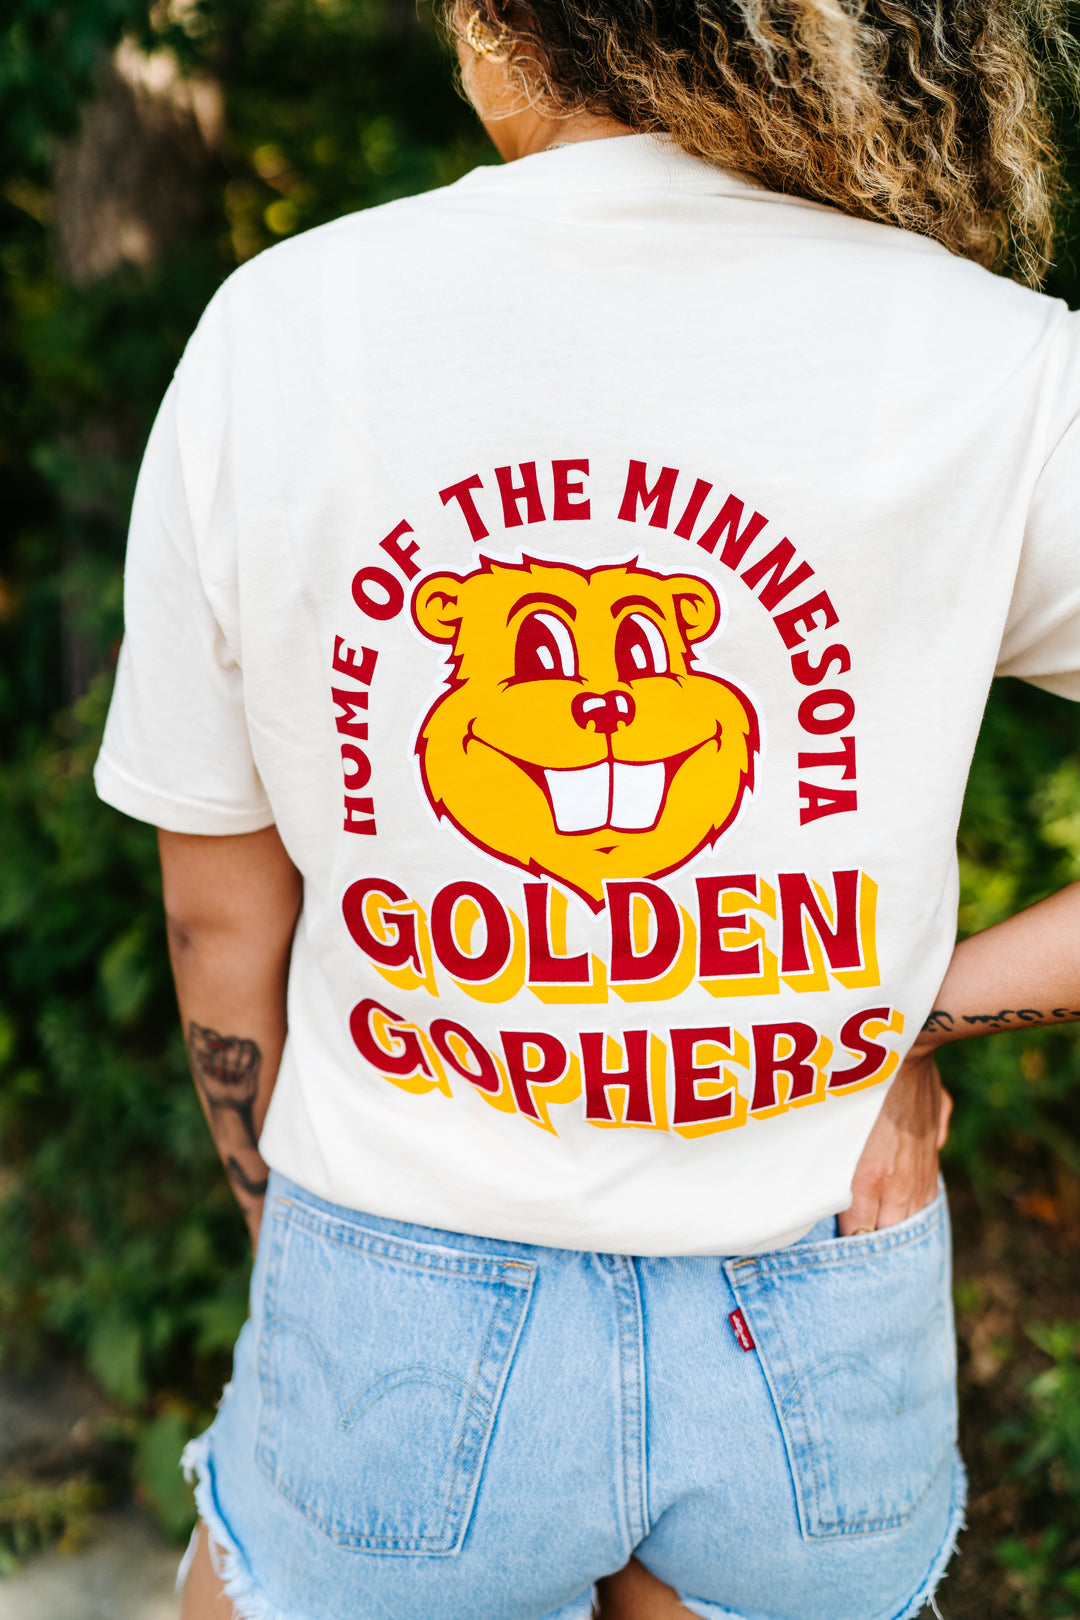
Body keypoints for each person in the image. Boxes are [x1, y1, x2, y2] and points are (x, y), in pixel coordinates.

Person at [93, 3, 1080, 1617]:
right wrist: (911, 1019)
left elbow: (218, 912)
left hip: (405, 1284)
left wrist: (292, 1238)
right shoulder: (987, 357)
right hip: (815, 1295)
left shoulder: (284, 330)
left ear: (499, 25)